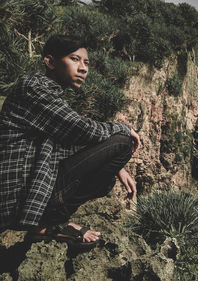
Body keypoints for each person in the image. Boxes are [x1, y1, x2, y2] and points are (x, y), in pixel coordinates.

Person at [0, 35, 141, 248]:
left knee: (107, 177)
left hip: (30, 187)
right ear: (50, 62)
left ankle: (49, 221)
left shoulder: (48, 92)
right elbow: (81, 130)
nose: (83, 68)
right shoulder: (34, 88)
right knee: (122, 143)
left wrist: (118, 168)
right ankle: (48, 224)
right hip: (15, 197)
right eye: (75, 59)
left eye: (86, 63)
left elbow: (65, 140)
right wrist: (123, 128)